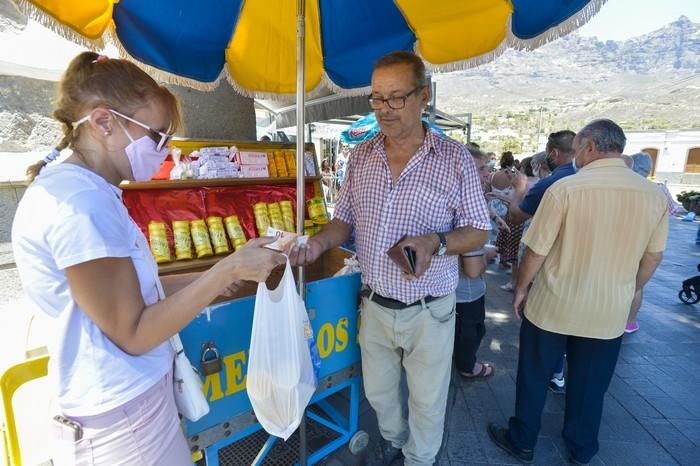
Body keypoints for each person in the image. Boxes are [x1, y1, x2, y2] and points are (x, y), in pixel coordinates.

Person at [11, 52, 286, 465]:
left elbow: (134, 294)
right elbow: (135, 332)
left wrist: (211, 274)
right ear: (104, 122)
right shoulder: (80, 203)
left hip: (127, 407)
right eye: (156, 135)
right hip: (122, 420)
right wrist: (227, 269)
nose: (165, 149)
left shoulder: (93, 191)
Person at [290, 50, 490, 466]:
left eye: (396, 98)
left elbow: (478, 229)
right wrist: (316, 245)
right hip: (376, 303)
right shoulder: (361, 156)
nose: (384, 109)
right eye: (377, 98)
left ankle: (419, 460)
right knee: (379, 392)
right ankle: (395, 441)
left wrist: (437, 241)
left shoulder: (454, 159)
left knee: (427, 399)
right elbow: (342, 220)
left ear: (424, 96)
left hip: (429, 310)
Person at [488, 119, 668, 465]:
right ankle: (581, 448)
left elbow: (536, 251)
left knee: (535, 375)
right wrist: (628, 289)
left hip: (554, 304)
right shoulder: (652, 195)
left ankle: (522, 439)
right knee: (591, 385)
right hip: (608, 312)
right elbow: (653, 256)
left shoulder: (566, 188)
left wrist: (521, 289)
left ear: (589, 147)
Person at [488, 130, 577, 394]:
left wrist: (519, 189)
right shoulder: (601, 181)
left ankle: (526, 423)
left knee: (541, 343)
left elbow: (516, 216)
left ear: (553, 153)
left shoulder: (554, 183)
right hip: (595, 286)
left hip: (552, 275)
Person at [454, 146, 499, 380]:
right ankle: (467, 367)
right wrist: (487, 253)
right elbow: (472, 270)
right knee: (469, 333)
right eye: (481, 169)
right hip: (466, 292)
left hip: (445, 292)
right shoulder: (468, 208)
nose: (486, 174)